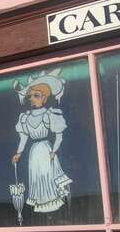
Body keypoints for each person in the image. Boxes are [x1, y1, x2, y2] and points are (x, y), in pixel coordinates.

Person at [11, 69, 73, 213]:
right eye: (31, 96)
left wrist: (54, 151)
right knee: (37, 177)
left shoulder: (50, 114)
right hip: (34, 153)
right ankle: (43, 207)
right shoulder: (24, 117)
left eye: (36, 95)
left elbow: (59, 135)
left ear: (44, 98)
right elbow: (24, 138)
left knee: (49, 176)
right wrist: (18, 153)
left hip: (46, 150)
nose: (32, 98)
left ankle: (56, 207)